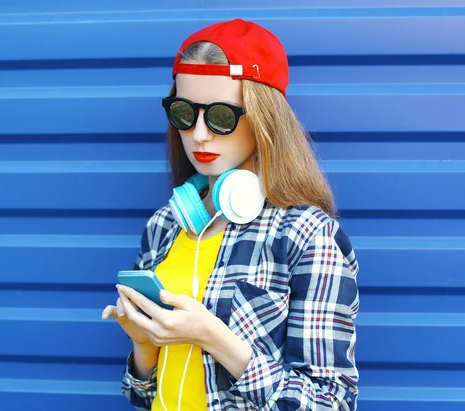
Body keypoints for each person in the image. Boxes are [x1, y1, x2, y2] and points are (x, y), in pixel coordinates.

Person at [102, 18, 359, 411]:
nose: (200, 134)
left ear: (264, 117)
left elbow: (330, 403)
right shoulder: (164, 227)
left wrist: (214, 337)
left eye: (221, 116)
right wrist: (144, 344)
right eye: (185, 113)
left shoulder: (306, 235)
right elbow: (141, 394)